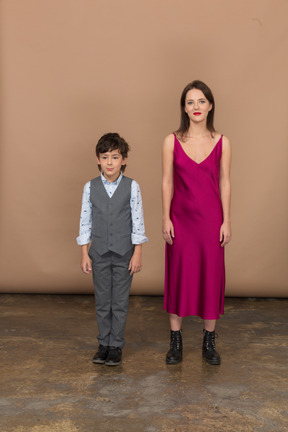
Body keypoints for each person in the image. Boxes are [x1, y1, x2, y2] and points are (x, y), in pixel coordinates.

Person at [162, 80, 231, 366]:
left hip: (211, 220)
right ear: (184, 108)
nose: (196, 107)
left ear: (210, 105)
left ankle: (208, 342)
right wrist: (165, 216)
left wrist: (227, 220)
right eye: (190, 102)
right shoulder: (171, 141)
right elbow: (167, 180)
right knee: (179, 275)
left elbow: (225, 182)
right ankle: (175, 342)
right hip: (181, 219)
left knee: (210, 276)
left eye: (201, 101)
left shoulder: (223, 142)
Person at [77, 133, 148, 366]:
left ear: (124, 160)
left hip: (124, 254)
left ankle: (116, 345)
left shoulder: (132, 186)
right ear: (98, 159)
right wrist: (84, 253)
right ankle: (103, 344)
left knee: (119, 302)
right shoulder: (90, 187)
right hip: (98, 253)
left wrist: (137, 252)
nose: (109, 162)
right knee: (102, 301)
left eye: (114, 157)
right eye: (105, 157)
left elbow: (138, 221)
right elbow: (85, 221)